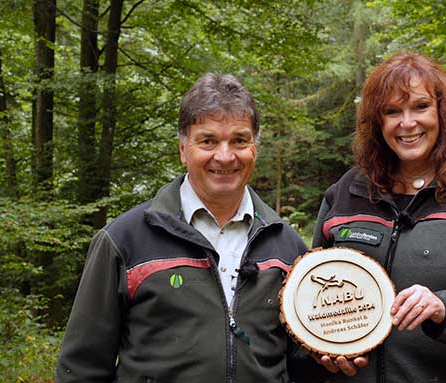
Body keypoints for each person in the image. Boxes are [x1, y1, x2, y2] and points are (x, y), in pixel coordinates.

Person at [302, 53, 446, 382]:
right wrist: (321, 347)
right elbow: (312, 294)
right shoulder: (347, 191)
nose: (407, 123)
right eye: (392, 111)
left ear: (443, 113)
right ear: (377, 122)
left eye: (420, 107)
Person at [55, 73, 308, 382]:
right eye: (208, 141)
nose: (225, 156)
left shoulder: (288, 247)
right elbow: (82, 367)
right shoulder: (124, 240)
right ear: (183, 149)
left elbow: (303, 363)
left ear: (255, 147)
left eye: (239, 140)